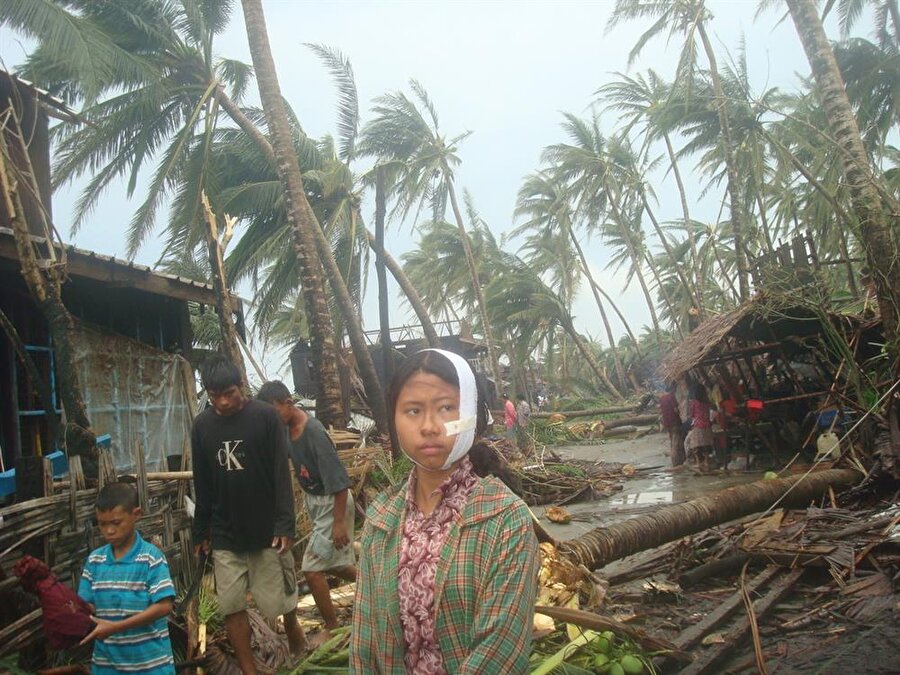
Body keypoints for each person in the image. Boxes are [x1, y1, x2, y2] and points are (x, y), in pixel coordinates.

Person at [350, 349, 539, 673]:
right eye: (412, 411)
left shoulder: (506, 520)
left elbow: (501, 650)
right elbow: (364, 643)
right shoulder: (381, 519)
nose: (428, 426)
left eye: (447, 408)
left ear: (472, 415)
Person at [191, 357, 306, 674]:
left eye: (228, 392)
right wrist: (200, 531)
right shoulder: (201, 427)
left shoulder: (266, 417)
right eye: (215, 395)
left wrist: (285, 522)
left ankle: (294, 628)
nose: (223, 401)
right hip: (226, 533)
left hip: (266, 529)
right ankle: (249, 670)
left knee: (277, 602)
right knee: (232, 606)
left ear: (241, 387)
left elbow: (281, 474)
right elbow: (202, 482)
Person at [257, 381, 357, 648]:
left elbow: (340, 481)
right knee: (332, 563)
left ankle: (333, 628)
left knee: (312, 570)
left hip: (333, 501)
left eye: (274, 412)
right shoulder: (287, 431)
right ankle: (375, 582)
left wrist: (338, 523)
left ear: (288, 404)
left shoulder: (313, 431)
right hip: (317, 501)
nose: (272, 419)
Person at [78, 482, 176, 674]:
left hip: (151, 666)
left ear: (136, 514)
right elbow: (86, 605)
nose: (109, 531)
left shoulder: (150, 558)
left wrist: (115, 627)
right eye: (102, 524)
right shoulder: (95, 560)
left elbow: (164, 606)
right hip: (107, 666)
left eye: (116, 523)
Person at [685, 385, 714, 472]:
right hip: (707, 425)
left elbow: (692, 414)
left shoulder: (694, 402)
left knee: (696, 445)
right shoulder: (707, 402)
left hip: (698, 426)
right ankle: (707, 462)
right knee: (706, 445)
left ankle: (698, 463)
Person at [659, 383, 685, 467]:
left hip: (667, 422)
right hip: (674, 421)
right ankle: (676, 462)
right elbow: (676, 410)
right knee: (676, 441)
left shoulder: (662, 398)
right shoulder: (671, 397)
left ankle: (677, 459)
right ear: (673, 389)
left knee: (672, 440)